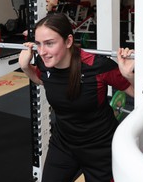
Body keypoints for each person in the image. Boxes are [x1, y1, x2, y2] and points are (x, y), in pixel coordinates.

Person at [18, 13, 134, 182]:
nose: (42, 52)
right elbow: (42, 80)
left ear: (69, 41)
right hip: (64, 143)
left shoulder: (98, 66)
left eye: (49, 43)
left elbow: (138, 93)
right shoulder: (44, 63)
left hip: (100, 148)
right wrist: (25, 67)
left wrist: (128, 75)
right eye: (38, 44)